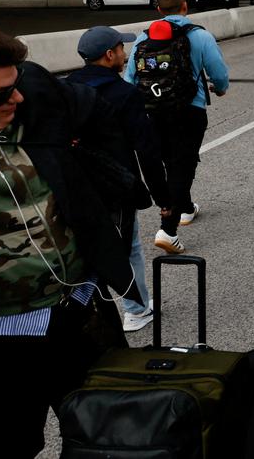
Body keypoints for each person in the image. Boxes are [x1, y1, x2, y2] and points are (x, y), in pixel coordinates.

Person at [0, 28, 134, 458]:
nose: (17, 98)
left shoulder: (32, 114)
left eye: (16, 84)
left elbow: (99, 109)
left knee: (114, 439)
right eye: (1, 95)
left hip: (80, 311)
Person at [67, 26, 170, 333]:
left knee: (84, 245)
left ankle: (88, 307)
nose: (125, 54)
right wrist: (163, 197)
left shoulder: (67, 87)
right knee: (128, 246)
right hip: (116, 183)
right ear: (109, 54)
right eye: (121, 49)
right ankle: (136, 310)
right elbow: (146, 150)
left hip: (76, 182)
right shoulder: (124, 94)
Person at [124, 0, 230, 254]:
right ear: (185, 6)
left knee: (169, 162)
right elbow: (218, 73)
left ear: (159, 10)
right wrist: (220, 88)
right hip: (189, 110)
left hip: (153, 110)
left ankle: (185, 206)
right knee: (183, 164)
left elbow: (130, 78)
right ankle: (168, 229)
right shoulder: (200, 36)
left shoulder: (144, 37)